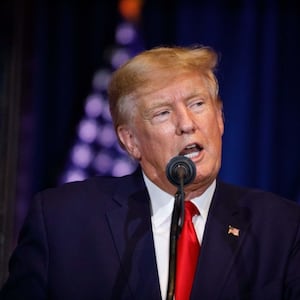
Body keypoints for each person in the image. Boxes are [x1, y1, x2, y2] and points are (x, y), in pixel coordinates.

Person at [1, 45, 300, 300]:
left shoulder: (282, 228)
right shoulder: (62, 221)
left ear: (220, 118)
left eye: (197, 104)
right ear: (131, 141)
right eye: (163, 113)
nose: (186, 123)